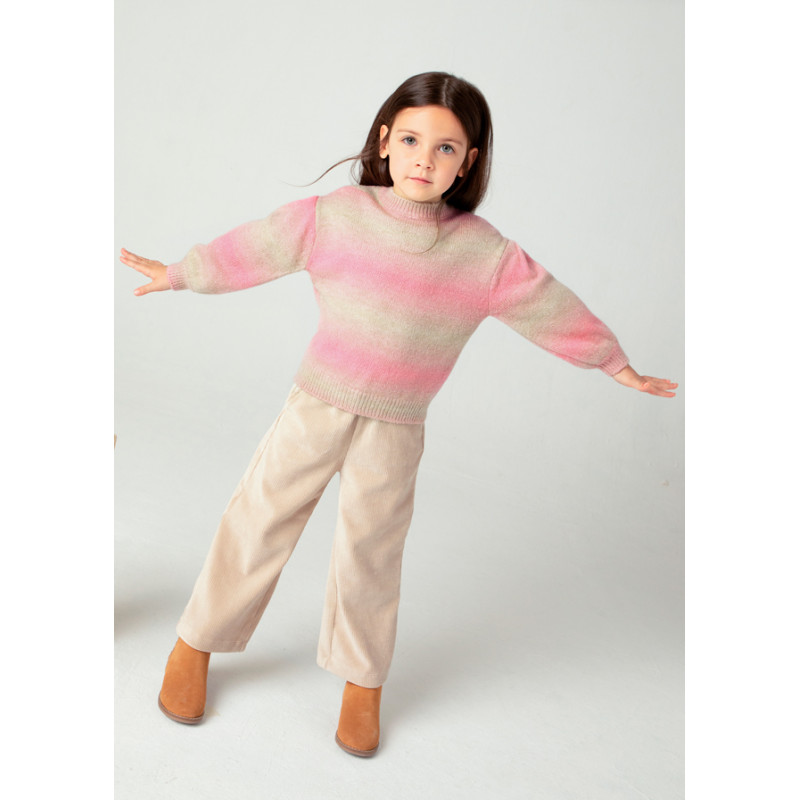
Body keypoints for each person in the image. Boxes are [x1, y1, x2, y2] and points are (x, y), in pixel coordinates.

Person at [120, 71, 678, 758]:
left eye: (446, 148)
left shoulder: (485, 254)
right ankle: (195, 642)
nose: (424, 159)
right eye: (411, 140)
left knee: (372, 553)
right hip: (316, 406)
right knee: (259, 519)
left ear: (468, 162)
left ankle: (363, 681)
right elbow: (255, 248)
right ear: (384, 141)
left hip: (397, 427)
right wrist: (181, 273)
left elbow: (550, 306)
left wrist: (614, 362)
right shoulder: (336, 215)